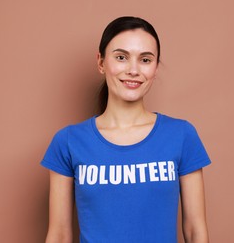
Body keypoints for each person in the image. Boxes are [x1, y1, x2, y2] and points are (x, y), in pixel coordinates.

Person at [41, 16, 211, 243]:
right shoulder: (68, 141)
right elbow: (60, 235)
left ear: (156, 67)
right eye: (121, 57)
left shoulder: (182, 135)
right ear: (101, 62)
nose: (133, 70)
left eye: (145, 60)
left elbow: (195, 231)